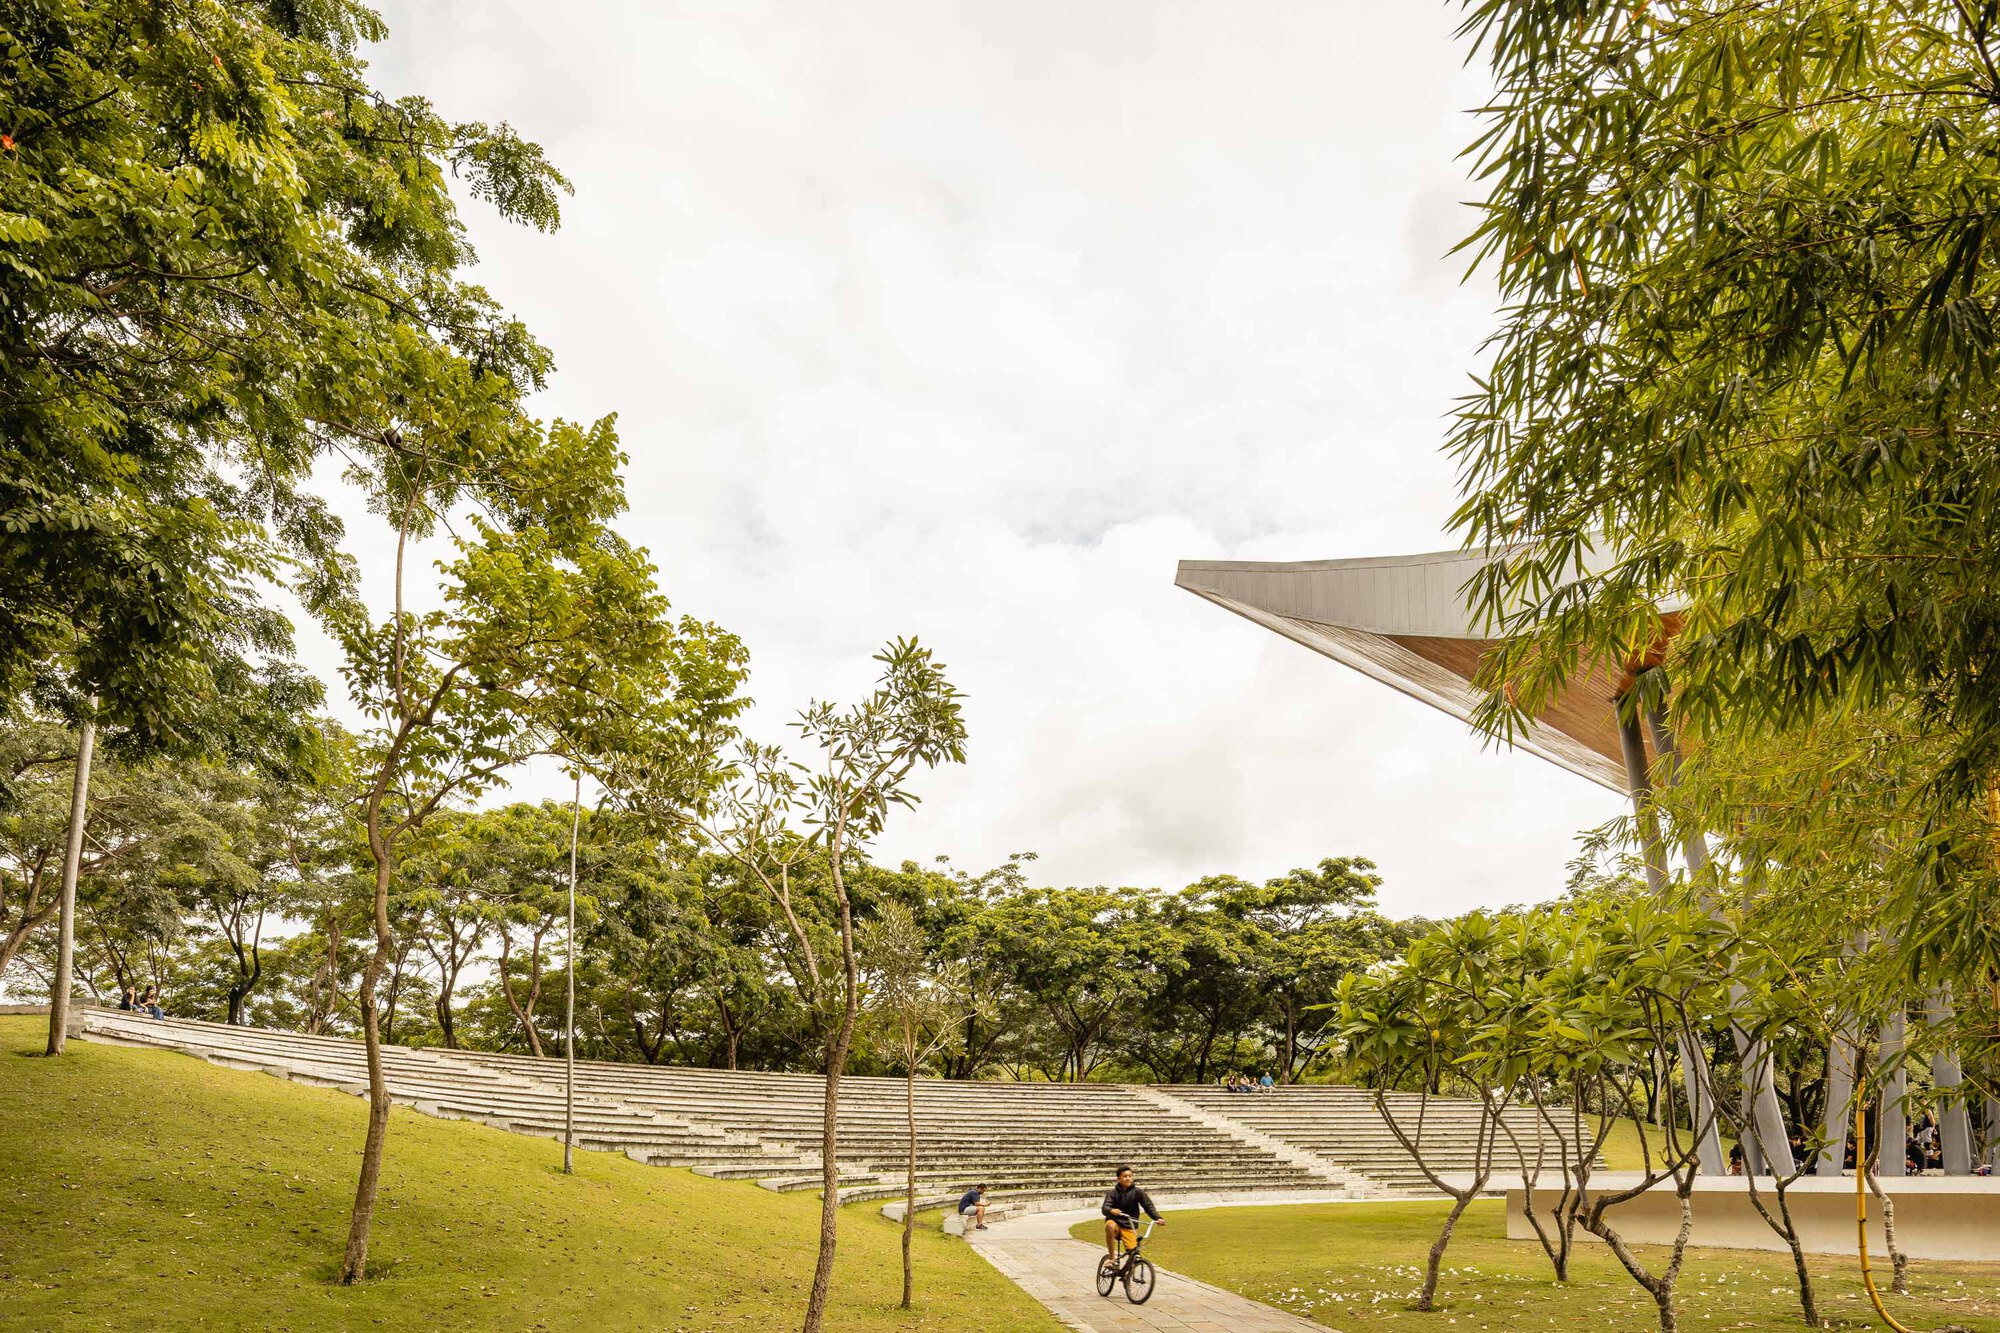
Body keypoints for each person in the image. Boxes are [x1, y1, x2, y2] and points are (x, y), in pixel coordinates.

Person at [1101, 1165, 1162, 1258]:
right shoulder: (1112, 1193)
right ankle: (1111, 1258)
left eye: (1130, 1176)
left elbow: (1148, 1206)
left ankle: (1131, 1269)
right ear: (1118, 1179)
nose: (1128, 1178)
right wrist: (1111, 1210)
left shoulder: (1138, 1192)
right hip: (1115, 1222)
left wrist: (1157, 1218)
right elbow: (1105, 1208)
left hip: (1129, 1225)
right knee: (1110, 1226)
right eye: (1125, 1176)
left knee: (1133, 1253)